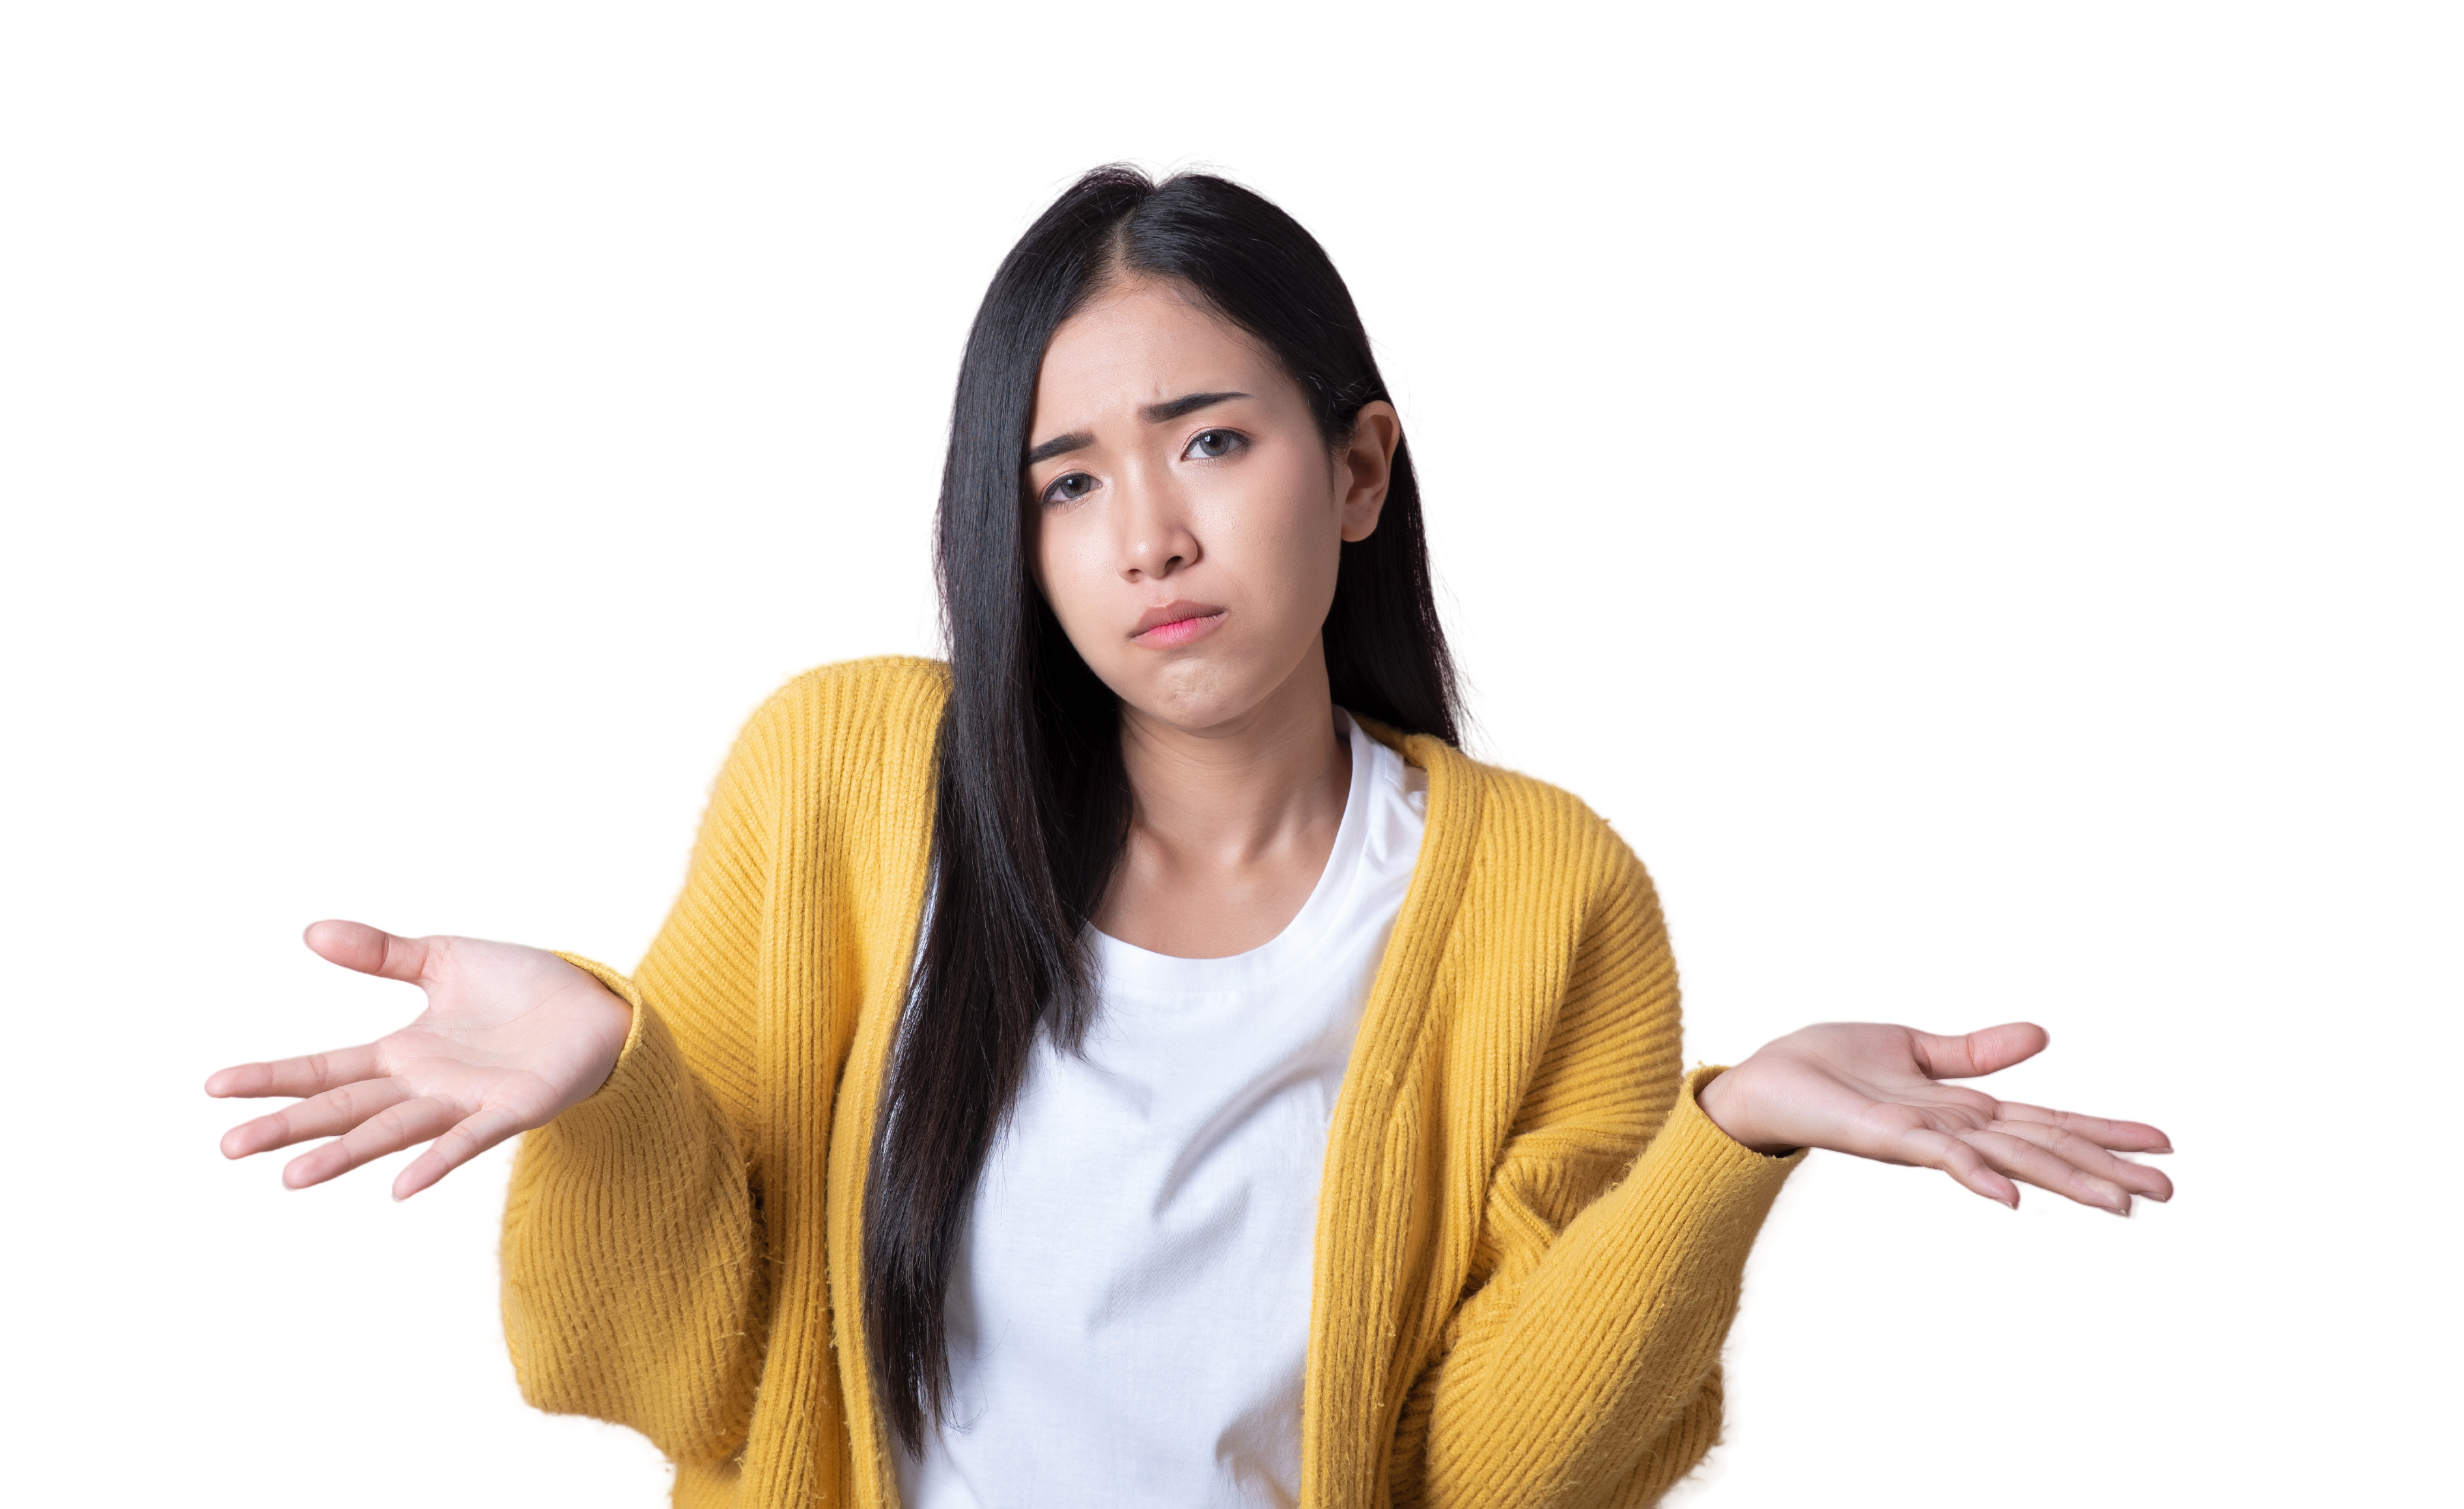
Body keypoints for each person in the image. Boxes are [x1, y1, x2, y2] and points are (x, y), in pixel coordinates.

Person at [208, 168, 2172, 1509]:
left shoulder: (1547, 894)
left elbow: (1490, 1475)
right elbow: (656, 1374)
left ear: (1360, 467)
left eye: (1212, 441)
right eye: (1068, 483)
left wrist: (1723, 1148)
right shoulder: (846, 782)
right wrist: (612, 1088)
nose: (1147, 535)